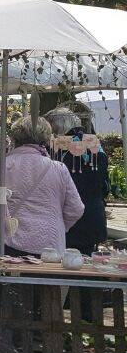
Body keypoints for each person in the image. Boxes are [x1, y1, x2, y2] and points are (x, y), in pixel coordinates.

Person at [0, 116, 84, 258]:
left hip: (10, 241)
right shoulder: (59, 169)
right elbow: (76, 209)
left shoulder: (2, 165)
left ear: (16, 137)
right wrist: (57, 224)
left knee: (11, 280)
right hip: (51, 245)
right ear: (46, 138)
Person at [45, 106, 109, 256]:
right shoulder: (95, 145)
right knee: (85, 261)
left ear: (56, 128)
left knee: (63, 265)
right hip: (93, 215)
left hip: (67, 219)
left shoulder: (57, 149)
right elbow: (105, 185)